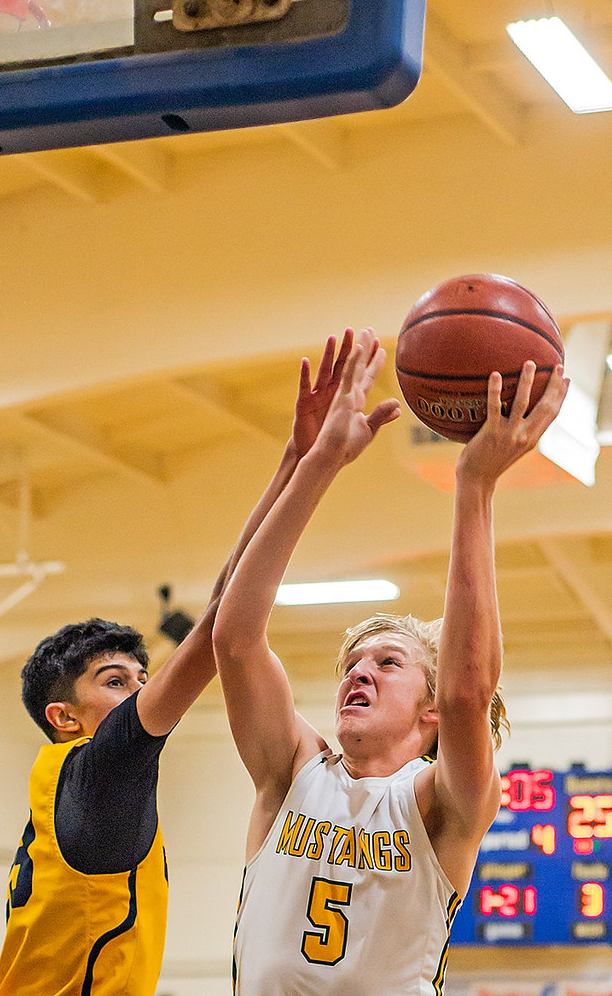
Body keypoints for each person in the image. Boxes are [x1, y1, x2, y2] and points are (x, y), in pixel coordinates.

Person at [0, 331, 357, 996]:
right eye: (115, 682)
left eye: (140, 677)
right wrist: (317, 467)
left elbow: (221, 605)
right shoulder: (99, 771)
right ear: (64, 717)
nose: (141, 690)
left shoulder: (69, 788)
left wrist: (293, 457)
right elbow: (223, 625)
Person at [212, 329, 569, 996]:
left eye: (387, 662)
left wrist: (474, 484)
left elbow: (467, 692)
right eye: (353, 663)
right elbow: (234, 639)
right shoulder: (290, 774)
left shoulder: (441, 803)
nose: (358, 672)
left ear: (429, 709)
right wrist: (318, 461)